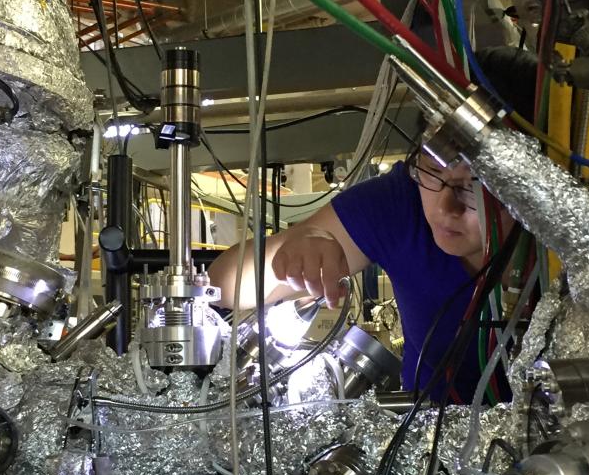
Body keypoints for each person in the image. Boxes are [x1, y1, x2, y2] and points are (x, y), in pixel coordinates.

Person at [209, 48, 536, 403]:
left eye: (472, 187)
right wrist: (296, 251)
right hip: (432, 448)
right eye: (431, 168)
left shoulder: (582, 231)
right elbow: (225, 283)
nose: (445, 207)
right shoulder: (399, 204)